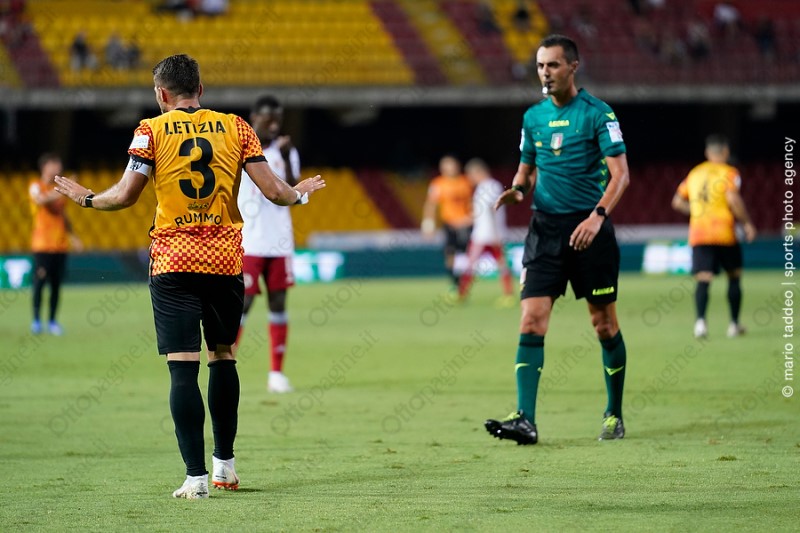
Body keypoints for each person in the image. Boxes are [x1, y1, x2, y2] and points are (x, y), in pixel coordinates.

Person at [54, 54, 325, 499]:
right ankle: (226, 468)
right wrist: (300, 195)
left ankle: (195, 478)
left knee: (183, 370)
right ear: (200, 89)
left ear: (162, 94)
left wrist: (86, 199)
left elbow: (124, 196)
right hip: (223, 261)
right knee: (223, 357)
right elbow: (276, 192)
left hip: (173, 262)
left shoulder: (150, 130)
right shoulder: (237, 127)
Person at [484, 34, 630, 445]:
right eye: (540, 66)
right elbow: (526, 169)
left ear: (572, 67)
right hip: (545, 231)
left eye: (552, 65)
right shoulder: (533, 117)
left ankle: (613, 413)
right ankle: (525, 420)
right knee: (531, 318)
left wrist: (597, 217)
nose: (544, 73)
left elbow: (621, 176)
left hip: (589, 231)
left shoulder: (598, 114)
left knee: (603, 324)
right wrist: (517, 189)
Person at [235, 95, 300, 393]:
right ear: (254, 117)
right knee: (242, 304)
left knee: (278, 304)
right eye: (268, 118)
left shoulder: (286, 151)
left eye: (278, 119)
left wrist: (285, 157)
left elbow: (294, 192)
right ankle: (225, 366)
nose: (274, 124)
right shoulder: (239, 148)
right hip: (248, 241)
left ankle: (276, 374)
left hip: (279, 241)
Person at [671, 134, 756, 339]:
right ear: (725, 151)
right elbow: (733, 199)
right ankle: (734, 324)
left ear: (707, 153)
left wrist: (696, 211)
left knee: (703, 278)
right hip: (724, 231)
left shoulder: (694, 173)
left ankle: (700, 324)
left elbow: (677, 202)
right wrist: (747, 223)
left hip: (699, 232)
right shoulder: (730, 173)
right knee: (734, 276)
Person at [28, 153, 82, 336]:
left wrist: (73, 236)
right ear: (45, 166)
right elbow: (40, 200)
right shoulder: (36, 186)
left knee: (56, 285)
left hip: (60, 245)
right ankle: (36, 320)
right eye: (55, 164)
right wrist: (62, 188)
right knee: (40, 282)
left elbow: (62, 214)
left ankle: (52, 321)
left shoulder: (57, 190)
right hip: (42, 245)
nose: (58, 168)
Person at [457, 158, 514, 305]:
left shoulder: (491, 186)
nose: (470, 178)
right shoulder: (483, 187)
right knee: (481, 263)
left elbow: (491, 210)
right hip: (483, 233)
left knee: (492, 264)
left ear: (478, 172)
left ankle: (508, 295)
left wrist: (495, 233)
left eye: (471, 175)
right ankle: (462, 294)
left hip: (489, 234)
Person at [421, 155, 473, 292]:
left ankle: (464, 281)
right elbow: (431, 205)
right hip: (449, 224)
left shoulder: (465, 182)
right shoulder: (438, 184)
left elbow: (472, 203)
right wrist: (428, 225)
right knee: (450, 253)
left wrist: (470, 218)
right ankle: (454, 282)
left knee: (465, 253)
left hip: (466, 224)